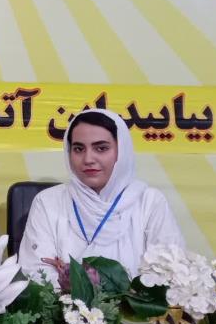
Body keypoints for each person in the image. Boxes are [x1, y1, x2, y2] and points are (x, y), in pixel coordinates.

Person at [18, 108, 184, 285]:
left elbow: (170, 272)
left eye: (101, 148)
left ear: (121, 151)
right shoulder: (47, 202)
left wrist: (74, 281)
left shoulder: (149, 202)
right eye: (78, 149)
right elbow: (35, 273)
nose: (88, 159)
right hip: (61, 304)